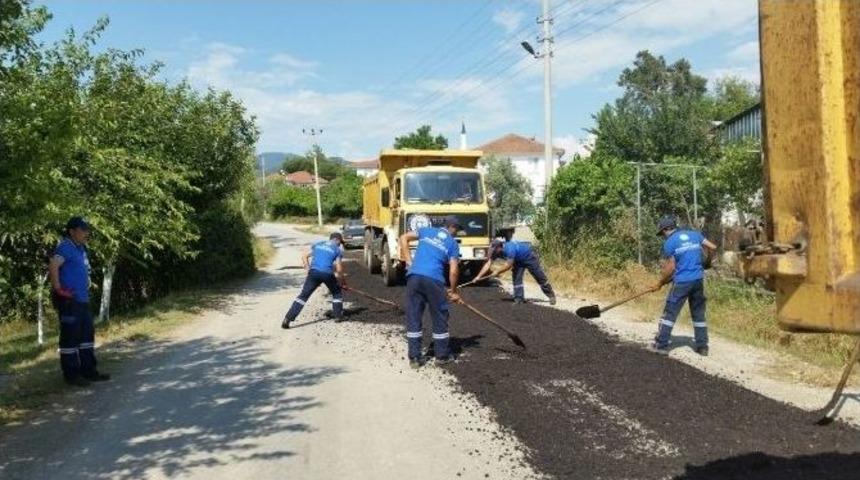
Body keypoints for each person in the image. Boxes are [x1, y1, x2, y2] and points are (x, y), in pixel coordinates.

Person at [48, 217, 110, 386]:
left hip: (82, 300)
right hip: (70, 301)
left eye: (87, 229)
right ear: (72, 231)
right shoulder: (65, 247)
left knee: (86, 337)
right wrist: (58, 288)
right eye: (83, 230)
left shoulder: (81, 248)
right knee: (70, 338)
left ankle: (89, 371)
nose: (86, 233)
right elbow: (53, 265)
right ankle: (72, 375)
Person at [399, 215, 462, 369]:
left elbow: (403, 237)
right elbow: (453, 271)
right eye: (457, 230)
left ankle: (414, 358)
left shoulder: (426, 231)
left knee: (414, 316)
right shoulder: (452, 243)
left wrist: (408, 261)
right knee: (440, 316)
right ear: (452, 227)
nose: (457, 233)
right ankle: (441, 356)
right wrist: (453, 291)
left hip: (414, 277)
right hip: (434, 281)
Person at [649, 215, 718, 356]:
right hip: (698, 281)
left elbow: (671, 267)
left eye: (662, 233)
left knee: (670, 313)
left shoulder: (670, 243)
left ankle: (661, 344)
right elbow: (713, 247)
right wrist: (707, 262)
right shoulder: (695, 235)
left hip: (681, 282)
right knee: (698, 314)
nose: (663, 236)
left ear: (666, 230)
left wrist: (660, 282)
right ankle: (702, 347)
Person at [282, 233, 346, 329]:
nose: (340, 245)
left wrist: (308, 269)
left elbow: (304, 256)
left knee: (303, 296)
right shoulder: (337, 250)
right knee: (337, 293)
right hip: (327, 274)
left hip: (313, 273)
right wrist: (343, 282)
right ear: (337, 240)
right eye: (340, 243)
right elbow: (339, 270)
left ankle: (288, 318)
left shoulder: (318, 244)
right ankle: (338, 316)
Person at [474, 239, 556, 305]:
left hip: (528, 256)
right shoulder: (495, 252)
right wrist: (478, 276)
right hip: (517, 260)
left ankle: (551, 296)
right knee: (516, 277)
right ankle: (519, 299)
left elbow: (508, 265)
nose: (494, 252)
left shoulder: (510, 248)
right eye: (493, 250)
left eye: (495, 250)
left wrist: (497, 271)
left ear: (500, 247)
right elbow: (488, 264)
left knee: (539, 276)